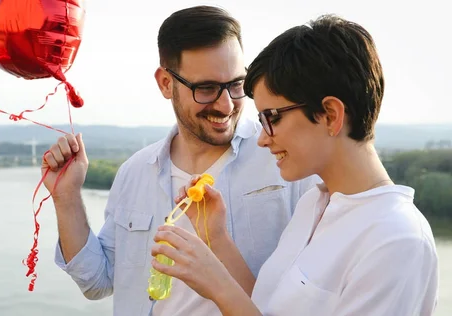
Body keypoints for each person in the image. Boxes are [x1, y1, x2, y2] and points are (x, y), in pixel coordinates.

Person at [150, 14, 440, 316]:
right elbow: (262, 308)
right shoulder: (313, 204)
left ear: (330, 114)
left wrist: (217, 284)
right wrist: (218, 238)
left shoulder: (396, 240)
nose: (262, 139)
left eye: (272, 118)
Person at [41, 5, 319, 316]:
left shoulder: (287, 162)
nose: (226, 104)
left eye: (236, 85)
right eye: (207, 89)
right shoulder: (135, 172)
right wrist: (66, 198)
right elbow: (97, 282)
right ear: (165, 83)